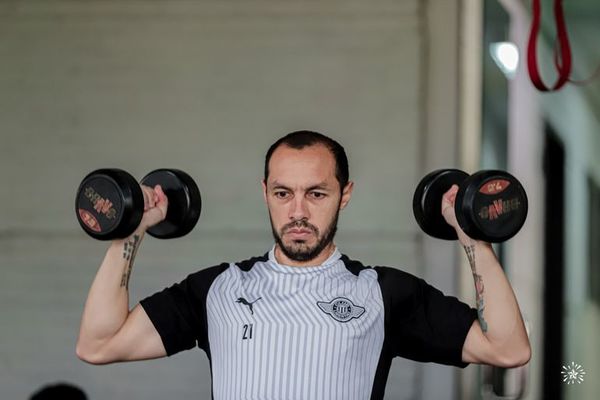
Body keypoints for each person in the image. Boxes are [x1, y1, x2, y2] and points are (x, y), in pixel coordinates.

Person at [76, 130, 531, 399]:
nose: (297, 211)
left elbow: (507, 350)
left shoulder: (384, 294)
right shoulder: (217, 290)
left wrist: (472, 233)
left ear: (344, 195)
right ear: (265, 193)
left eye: (316, 194)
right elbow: (99, 344)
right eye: (282, 193)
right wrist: (132, 227)